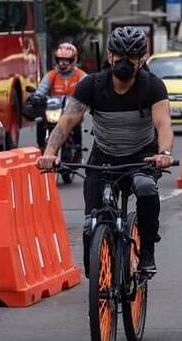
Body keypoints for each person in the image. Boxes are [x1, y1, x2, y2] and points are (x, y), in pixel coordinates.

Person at [36, 27, 174, 274]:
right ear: (109, 56)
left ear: (142, 59)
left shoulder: (152, 86)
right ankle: (98, 264)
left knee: (145, 188)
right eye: (119, 55)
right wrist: (50, 152)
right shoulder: (92, 85)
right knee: (93, 218)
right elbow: (67, 120)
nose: (124, 62)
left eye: (131, 57)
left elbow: (163, 123)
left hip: (141, 155)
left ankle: (147, 251)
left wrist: (163, 154)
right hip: (103, 156)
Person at [30, 43, 86, 149]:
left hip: (72, 110)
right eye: (60, 60)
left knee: (77, 121)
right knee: (40, 120)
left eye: (66, 60)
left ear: (73, 60)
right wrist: (37, 97)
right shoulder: (51, 75)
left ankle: (78, 147)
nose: (62, 63)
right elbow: (41, 89)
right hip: (53, 110)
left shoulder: (81, 75)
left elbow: (87, 89)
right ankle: (41, 145)